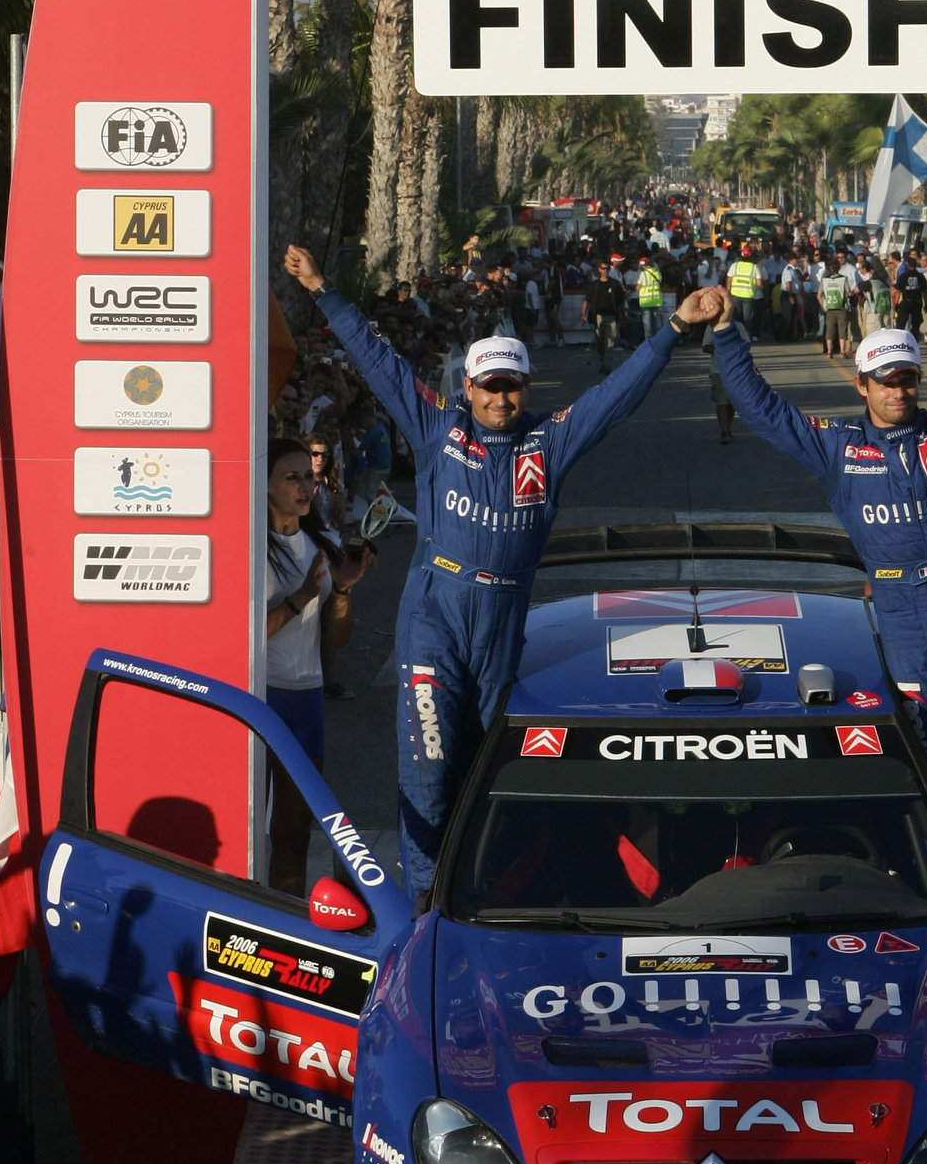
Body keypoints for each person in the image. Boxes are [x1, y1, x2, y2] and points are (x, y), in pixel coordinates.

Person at [285, 244, 719, 897]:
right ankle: (424, 908)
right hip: (437, 613)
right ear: (468, 387)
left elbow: (616, 394)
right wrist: (323, 288)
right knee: (428, 773)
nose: (501, 397)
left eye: (511, 385)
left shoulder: (552, 441)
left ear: (527, 386)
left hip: (503, 621)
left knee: (488, 772)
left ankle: (483, 892)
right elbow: (377, 362)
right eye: (489, 386)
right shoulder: (438, 429)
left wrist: (676, 329)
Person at [704, 263, 927, 857]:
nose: (900, 391)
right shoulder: (836, 447)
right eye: (886, 380)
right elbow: (763, 408)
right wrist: (724, 335)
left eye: (909, 380)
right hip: (903, 627)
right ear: (862, 385)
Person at [264, 436, 368, 887]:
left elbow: (336, 638)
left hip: (306, 699)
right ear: (264, 486)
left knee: (295, 834)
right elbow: (242, 636)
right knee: (247, 828)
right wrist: (299, 598)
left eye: (308, 476)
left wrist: (341, 591)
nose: (305, 486)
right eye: (292, 478)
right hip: (256, 696)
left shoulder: (319, 545)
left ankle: (290, 924)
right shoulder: (248, 546)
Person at [583, 259, 626, 376]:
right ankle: (603, 361)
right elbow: (587, 300)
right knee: (599, 342)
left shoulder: (614, 284)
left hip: (611, 316)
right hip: (597, 316)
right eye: (603, 268)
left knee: (610, 341)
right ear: (599, 270)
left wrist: (622, 314)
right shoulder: (594, 285)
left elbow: (621, 301)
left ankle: (607, 365)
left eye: (607, 268)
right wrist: (583, 314)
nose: (605, 271)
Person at [636, 253, 665, 339]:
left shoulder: (643, 274)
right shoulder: (657, 272)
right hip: (656, 300)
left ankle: (648, 343)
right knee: (657, 323)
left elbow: (638, 287)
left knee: (647, 325)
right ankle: (658, 340)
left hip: (646, 302)